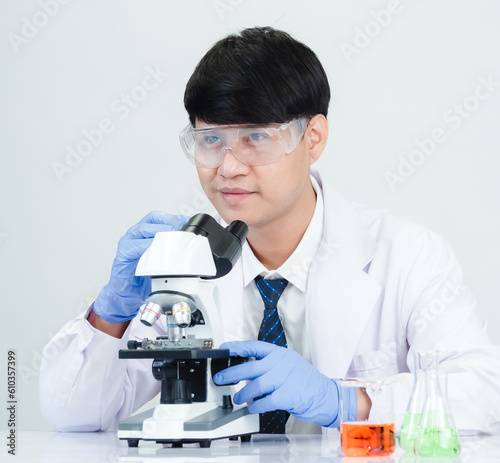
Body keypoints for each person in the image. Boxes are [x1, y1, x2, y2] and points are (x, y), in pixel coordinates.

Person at [40, 26, 500, 435]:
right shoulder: (180, 267)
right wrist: (111, 313)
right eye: (211, 140)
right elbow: (74, 414)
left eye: (256, 137)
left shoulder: (407, 255)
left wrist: (346, 403)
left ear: (313, 138)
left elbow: (479, 393)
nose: (229, 167)